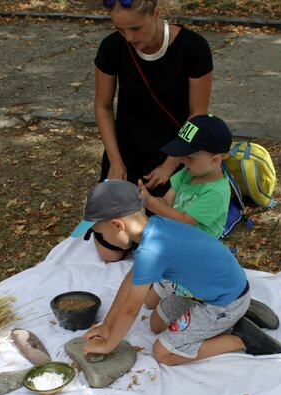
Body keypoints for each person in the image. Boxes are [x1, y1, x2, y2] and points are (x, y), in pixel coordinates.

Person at [71, 180, 281, 365]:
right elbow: (130, 281)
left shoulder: (150, 250)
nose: (102, 240)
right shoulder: (154, 227)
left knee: (163, 353)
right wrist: (107, 326)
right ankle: (235, 314)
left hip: (223, 302)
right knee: (156, 324)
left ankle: (240, 337)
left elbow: (130, 309)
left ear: (118, 225)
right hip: (218, 290)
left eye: (100, 233)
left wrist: (109, 344)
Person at [93, 0, 213, 261]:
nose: (129, 37)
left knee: (161, 250)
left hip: (175, 156)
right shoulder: (112, 47)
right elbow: (102, 107)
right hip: (126, 154)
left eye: (136, 28)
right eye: (121, 29)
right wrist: (115, 160)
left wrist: (171, 165)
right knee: (110, 252)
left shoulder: (194, 48)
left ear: (157, 13)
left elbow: (197, 116)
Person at [138, 113, 233, 308]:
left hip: (197, 260)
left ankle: (227, 309)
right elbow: (166, 201)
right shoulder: (189, 173)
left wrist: (151, 204)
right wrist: (141, 199)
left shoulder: (216, 192)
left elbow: (184, 219)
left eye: (189, 156)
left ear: (215, 160)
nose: (182, 161)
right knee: (148, 303)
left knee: (162, 321)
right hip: (176, 249)